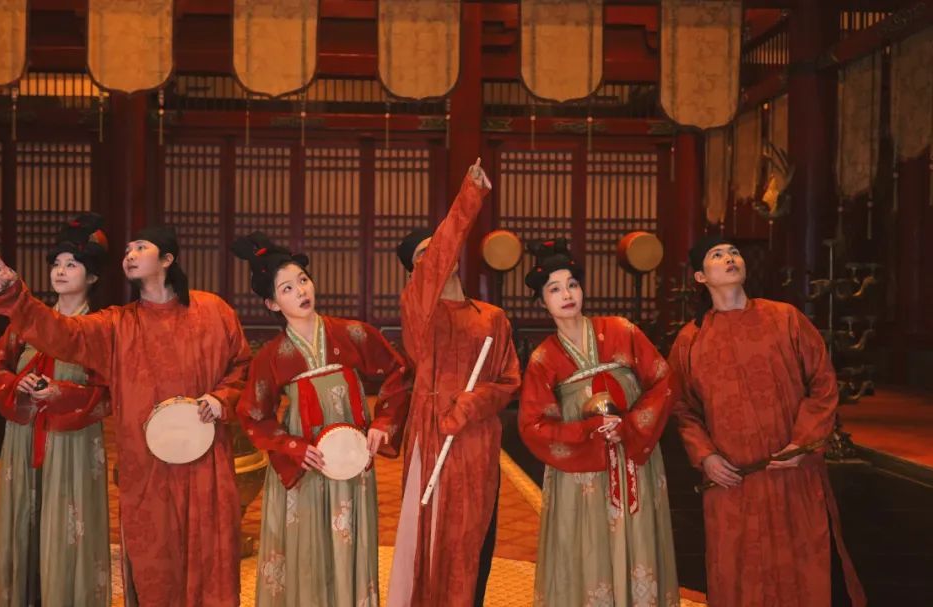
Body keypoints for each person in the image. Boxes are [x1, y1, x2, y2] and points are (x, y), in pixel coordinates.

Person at [0, 225, 251, 607]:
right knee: (154, 558)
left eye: (141, 247)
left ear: (167, 258)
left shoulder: (213, 311)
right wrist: (15, 297)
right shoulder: (118, 324)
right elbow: (63, 333)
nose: (130, 254)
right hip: (146, 462)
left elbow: (241, 366)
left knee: (212, 552)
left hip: (205, 457)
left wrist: (221, 398)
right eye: (127, 250)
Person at [668, 233, 866, 607]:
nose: (730, 258)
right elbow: (682, 408)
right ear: (700, 277)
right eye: (717, 255)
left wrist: (802, 443)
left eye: (734, 252)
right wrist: (706, 457)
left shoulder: (784, 318)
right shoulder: (690, 339)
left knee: (807, 563)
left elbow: (822, 382)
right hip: (732, 479)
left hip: (791, 469)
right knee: (739, 568)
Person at [231, 232, 411, 607]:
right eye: (287, 288)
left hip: (351, 460)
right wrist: (291, 446)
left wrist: (383, 423)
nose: (301, 291)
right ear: (272, 303)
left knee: (349, 537)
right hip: (307, 462)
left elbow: (398, 373)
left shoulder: (352, 333)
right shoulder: (271, 356)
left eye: (303, 280)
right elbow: (254, 414)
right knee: (308, 544)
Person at [387, 159, 522, 607]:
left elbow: (509, 379)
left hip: (477, 437)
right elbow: (439, 256)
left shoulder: (492, 317)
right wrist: (470, 194)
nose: (439, 258)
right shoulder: (418, 310)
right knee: (431, 533)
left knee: (472, 535)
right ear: (415, 274)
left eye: (440, 248)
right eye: (424, 256)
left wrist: (473, 403)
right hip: (433, 431)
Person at [517, 238, 679, 607]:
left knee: (638, 538)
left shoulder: (622, 330)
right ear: (541, 301)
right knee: (587, 545)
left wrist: (631, 425)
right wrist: (587, 431)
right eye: (554, 289)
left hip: (634, 456)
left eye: (572, 284)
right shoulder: (544, 358)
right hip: (582, 472)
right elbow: (533, 426)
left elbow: (664, 380)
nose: (567, 294)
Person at [0, 213, 112, 607]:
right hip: (23, 437)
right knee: (24, 516)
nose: (60, 271)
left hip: (71, 440)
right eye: (56, 263)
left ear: (93, 276)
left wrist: (62, 393)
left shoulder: (99, 328)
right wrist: (15, 384)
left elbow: (109, 393)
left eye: (72, 264)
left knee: (66, 522)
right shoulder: (26, 325)